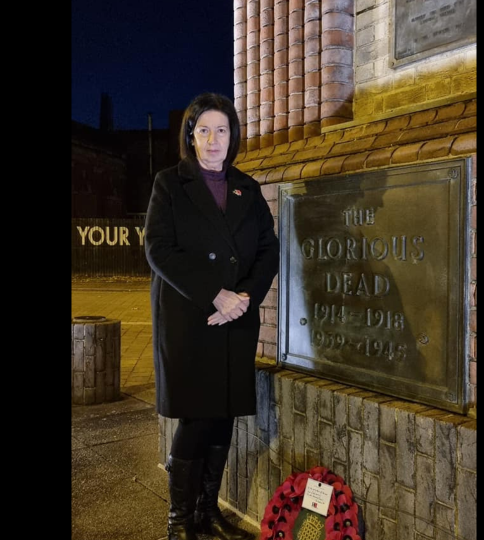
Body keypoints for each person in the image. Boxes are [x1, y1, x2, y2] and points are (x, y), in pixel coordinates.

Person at [144, 92, 280, 540]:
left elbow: (267, 249)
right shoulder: (170, 183)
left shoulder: (247, 186)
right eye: (203, 129)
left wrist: (244, 297)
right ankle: (179, 521)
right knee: (196, 417)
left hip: (235, 320)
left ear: (233, 136)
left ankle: (208, 515)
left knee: (222, 415)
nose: (213, 138)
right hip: (191, 319)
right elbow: (158, 250)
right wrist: (215, 296)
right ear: (191, 136)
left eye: (222, 129)